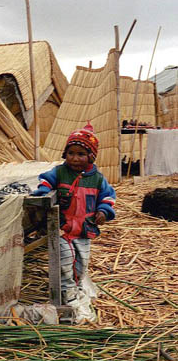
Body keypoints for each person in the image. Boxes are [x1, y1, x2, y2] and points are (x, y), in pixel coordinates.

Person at [33, 122, 116, 323]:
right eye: (71, 153)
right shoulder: (60, 173)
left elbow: (108, 197)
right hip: (62, 229)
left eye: (81, 154)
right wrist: (44, 194)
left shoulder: (97, 179)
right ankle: (67, 295)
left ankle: (76, 288)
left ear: (91, 157)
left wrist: (104, 211)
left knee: (80, 263)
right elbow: (45, 181)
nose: (75, 158)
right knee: (65, 262)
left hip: (84, 230)